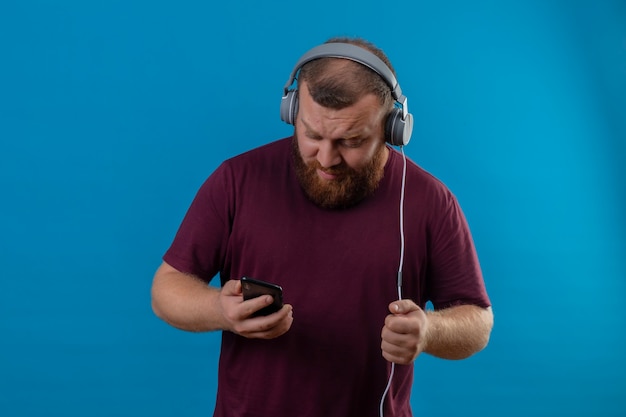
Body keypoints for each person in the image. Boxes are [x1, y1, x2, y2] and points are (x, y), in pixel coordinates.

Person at [151, 36, 493, 417]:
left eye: (351, 140)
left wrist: (429, 330)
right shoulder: (237, 180)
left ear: (392, 129)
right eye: (312, 135)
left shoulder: (431, 201)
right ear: (292, 111)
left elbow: (477, 321)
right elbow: (167, 288)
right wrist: (218, 308)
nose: (327, 159)